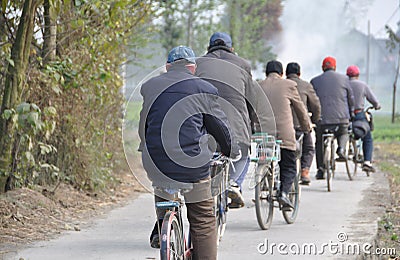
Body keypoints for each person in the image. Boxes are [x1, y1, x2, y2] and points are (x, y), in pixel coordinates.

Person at [138, 45, 233, 260]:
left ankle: (163, 223)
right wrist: (227, 149)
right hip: (192, 166)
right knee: (203, 218)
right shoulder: (203, 88)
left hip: (156, 163)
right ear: (193, 68)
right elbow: (219, 127)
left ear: (167, 67)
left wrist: (147, 149)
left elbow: (143, 127)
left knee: (161, 183)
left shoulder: (151, 87)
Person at [195, 32, 270, 208]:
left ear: (209, 47)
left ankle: (203, 188)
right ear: (231, 48)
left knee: (205, 155)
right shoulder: (243, 64)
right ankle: (234, 183)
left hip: (204, 124)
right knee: (243, 154)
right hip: (235, 124)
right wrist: (252, 124)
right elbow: (252, 98)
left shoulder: (199, 63)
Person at [258, 60, 311, 208]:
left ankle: (263, 183)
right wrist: (307, 127)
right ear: (281, 74)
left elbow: (251, 111)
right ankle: (284, 194)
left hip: (263, 133)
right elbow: (300, 109)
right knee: (289, 166)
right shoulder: (289, 85)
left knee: (264, 157)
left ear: (266, 73)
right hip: (284, 133)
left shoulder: (258, 86)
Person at [311, 56, 355, 179]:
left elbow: (311, 102)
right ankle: (341, 149)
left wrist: (313, 117)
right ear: (335, 67)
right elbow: (350, 99)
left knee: (319, 141)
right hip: (341, 119)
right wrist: (351, 114)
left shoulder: (314, 81)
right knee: (344, 132)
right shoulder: (345, 79)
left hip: (322, 120)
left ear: (322, 68)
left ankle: (320, 170)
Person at [286, 62, 321, 185]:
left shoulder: (282, 85)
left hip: (284, 126)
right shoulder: (306, 86)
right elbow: (315, 105)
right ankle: (305, 171)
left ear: (285, 74)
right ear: (299, 74)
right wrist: (315, 119)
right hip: (300, 125)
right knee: (309, 148)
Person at [346, 65, 381, 172]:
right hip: (358, 114)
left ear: (347, 75)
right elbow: (373, 100)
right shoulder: (362, 85)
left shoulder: (344, 84)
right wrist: (377, 105)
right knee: (367, 137)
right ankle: (367, 162)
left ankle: (349, 148)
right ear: (358, 75)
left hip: (345, 115)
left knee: (345, 131)